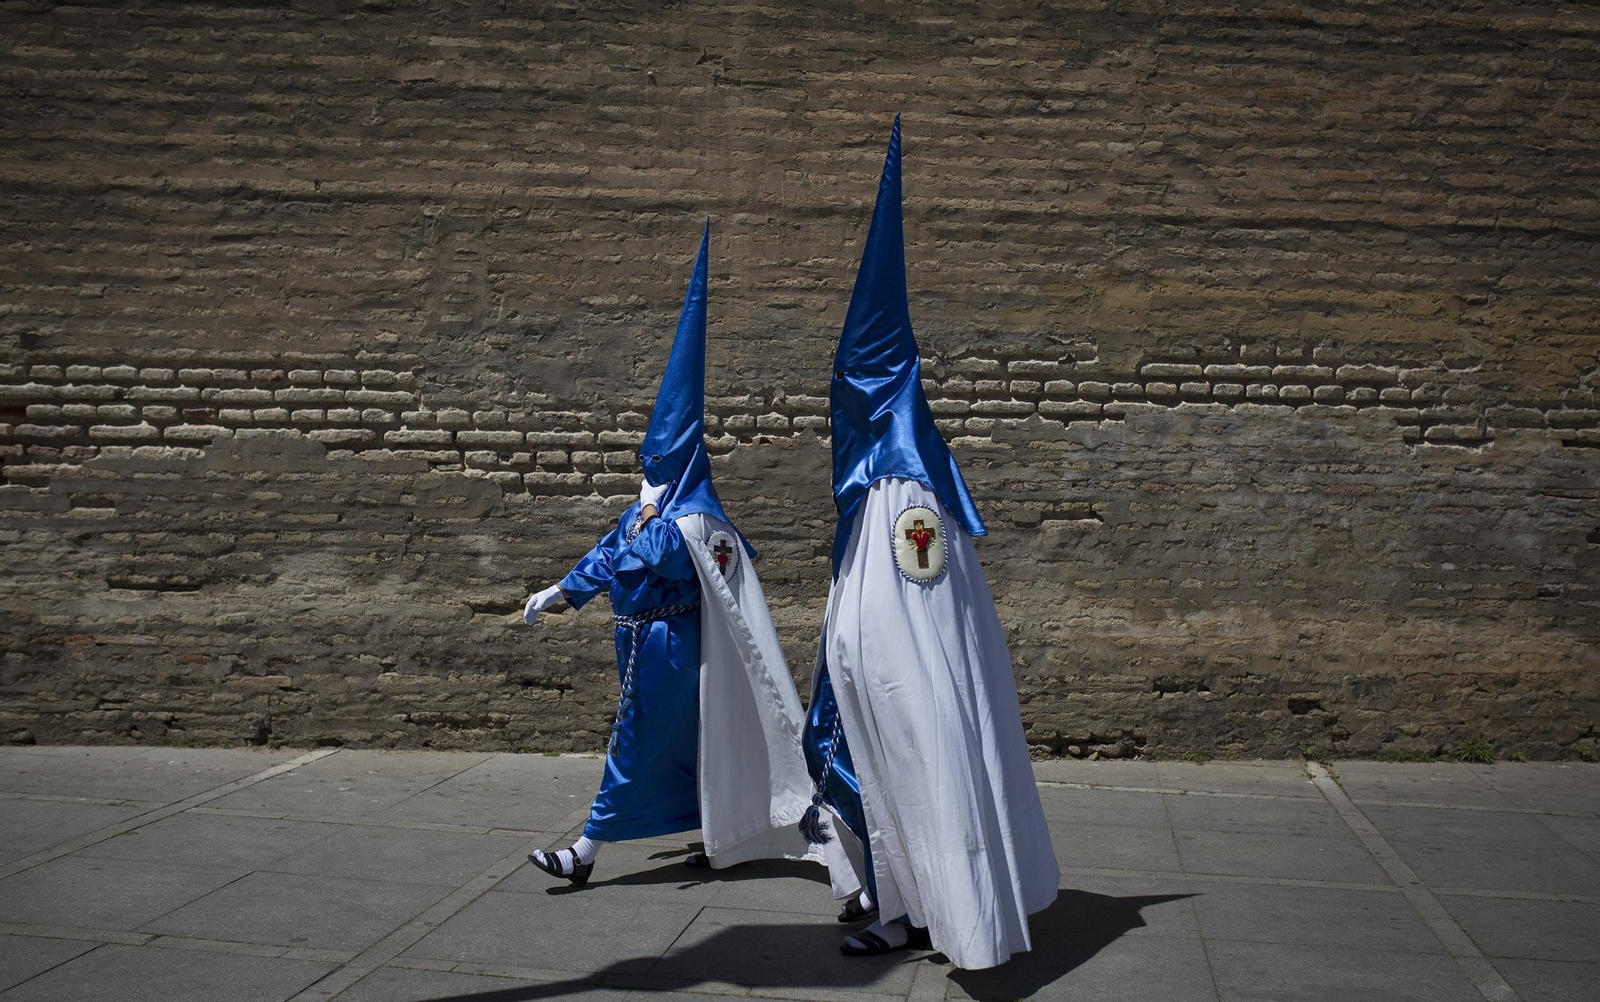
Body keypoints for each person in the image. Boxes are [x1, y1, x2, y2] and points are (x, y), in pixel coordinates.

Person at [524, 224, 856, 895]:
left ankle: (586, 851)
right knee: (694, 743)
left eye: (658, 461)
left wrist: (649, 515)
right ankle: (722, 836)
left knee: (634, 740)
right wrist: (560, 591)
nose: (646, 469)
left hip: (668, 646)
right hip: (638, 639)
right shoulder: (652, 509)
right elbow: (608, 552)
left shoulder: (695, 522)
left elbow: (651, 557)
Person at [800, 116, 1060, 969]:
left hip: (905, 697)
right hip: (870, 692)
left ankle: (939, 918)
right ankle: (899, 903)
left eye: (844, 392)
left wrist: (866, 664)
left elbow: (916, 620)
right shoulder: (879, 488)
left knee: (921, 777)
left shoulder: (906, 492)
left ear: (870, 399)